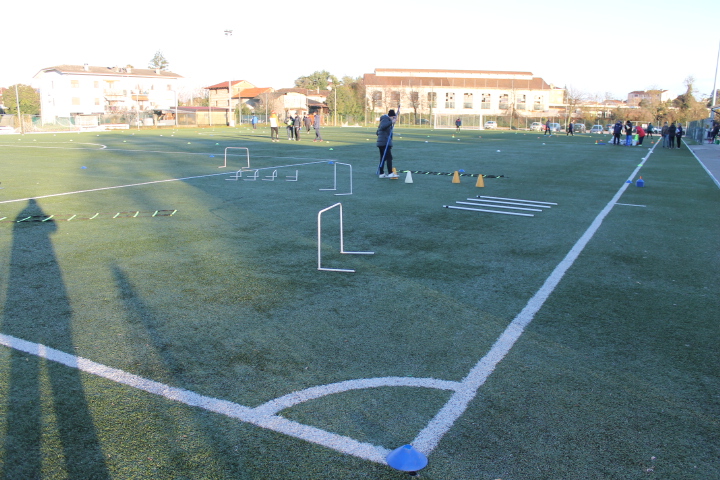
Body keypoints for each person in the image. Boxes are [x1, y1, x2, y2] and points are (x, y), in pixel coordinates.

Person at [376, 109, 398, 178]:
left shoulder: (385, 120)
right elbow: (382, 127)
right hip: (384, 142)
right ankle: (390, 173)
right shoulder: (385, 119)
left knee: (383, 158)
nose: (394, 119)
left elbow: (378, 132)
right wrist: (391, 122)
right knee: (389, 158)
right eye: (394, 118)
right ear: (391, 116)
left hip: (382, 142)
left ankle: (381, 173)